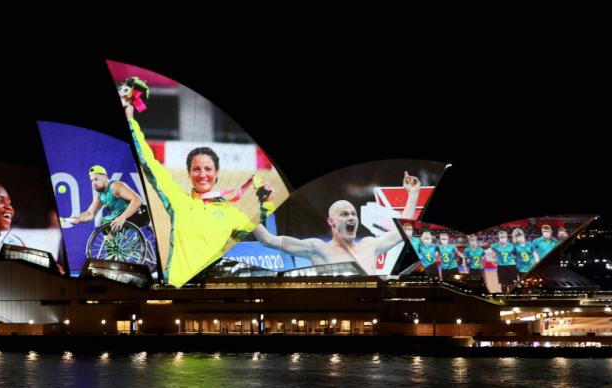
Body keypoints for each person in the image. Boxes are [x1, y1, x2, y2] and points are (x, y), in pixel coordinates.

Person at [126, 104, 272, 287]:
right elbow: (149, 163)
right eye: (196, 169)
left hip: (210, 295)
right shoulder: (177, 200)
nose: (202, 174)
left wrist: (266, 204)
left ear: (217, 173)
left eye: (208, 169)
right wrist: (131, 121)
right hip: (175, 291)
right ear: (188, 173)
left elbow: (263, 241)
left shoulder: (233, 214)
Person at [250, 173, 422, 275]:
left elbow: (404, 230)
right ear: (331, 221)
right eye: (344, 214)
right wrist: (244, 215)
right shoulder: (317, 249)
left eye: (354, 214)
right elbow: (268, 240)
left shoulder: (371, 245)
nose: (351, 217)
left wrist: (413, 194)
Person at [68, 165, 143, 231]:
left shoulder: (116, 186)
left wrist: (122, 217)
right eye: (92, 181)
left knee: (107, 222)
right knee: (104, 222)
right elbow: (90, 214)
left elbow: (138, 200)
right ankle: (111, 247)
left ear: (105, 177)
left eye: (96, 179)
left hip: (137, 215)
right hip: (120, 218)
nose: (94, 183)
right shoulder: (100, 195)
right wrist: (78, 219)